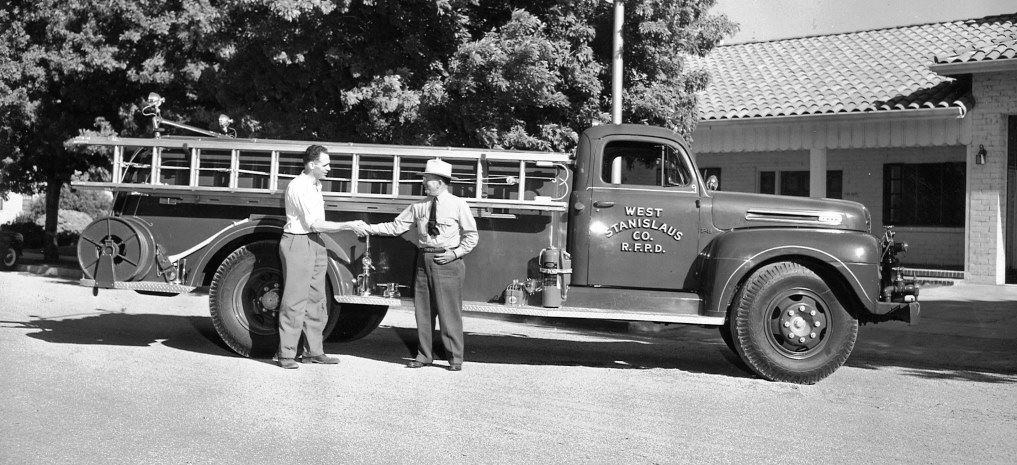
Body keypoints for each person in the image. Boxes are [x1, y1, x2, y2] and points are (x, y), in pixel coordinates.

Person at [358, 158, 478, 371]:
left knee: (449, 312)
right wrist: (368, 228)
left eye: (427, 179)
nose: (423, 182)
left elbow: (471, 236)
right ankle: (424, 355)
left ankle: (455, 358)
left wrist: (454, 254)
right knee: (423, 312)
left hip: (448, 262)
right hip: (424, 260)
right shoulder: (419, 206)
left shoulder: (458, 204)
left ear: (440, 182)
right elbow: (396, 227)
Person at [277, 144, 365, 370]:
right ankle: (286, 354)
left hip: (315, 242)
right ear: (311, 164)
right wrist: (348, 225)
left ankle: (313, 351)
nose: (329, 168)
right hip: (298, 241)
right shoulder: (299, 186)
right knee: (295, 300)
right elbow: (314, 223)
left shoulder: (316, 185)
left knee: (316, 299)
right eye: (325, 164)